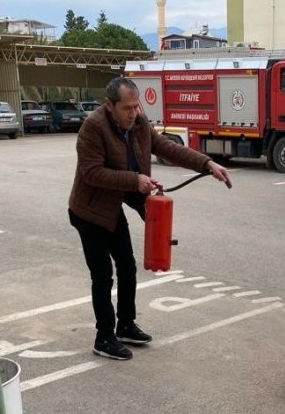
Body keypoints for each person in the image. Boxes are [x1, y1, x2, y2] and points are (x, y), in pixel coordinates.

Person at [68, 77, 231, 360]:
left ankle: (126, 325)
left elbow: (168, 148)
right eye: (126, 108)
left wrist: (207, 163)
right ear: (110, 106)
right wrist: (136, 180)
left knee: (127, 265)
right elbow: (91, 173)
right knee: (103, 274)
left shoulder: (140, 124)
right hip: (89, 210)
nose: (133, 113)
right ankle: (104, 337)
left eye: (136, 106)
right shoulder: (93, 128)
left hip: (114, 205)